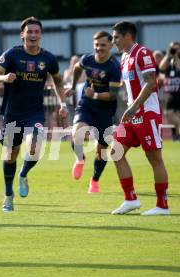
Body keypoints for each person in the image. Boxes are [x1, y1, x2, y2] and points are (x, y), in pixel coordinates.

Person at [0, 16, 68, 212]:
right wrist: (4, 77)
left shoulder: (48, 58)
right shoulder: (12, 55)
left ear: (40, 34)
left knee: (35, 146)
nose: (33, 35)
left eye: (36, 31)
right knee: (10, 155)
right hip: (12, 112)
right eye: (29, 31)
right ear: (22, 34)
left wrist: (62, 102)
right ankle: (8, 194)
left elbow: (57, 81)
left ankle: (23, 174)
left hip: (35, 112)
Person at [111, 21, 169, 215]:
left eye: (116, 37)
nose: (114, 41)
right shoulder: (124, 57)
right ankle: (130, 199)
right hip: (132, 113)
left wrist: (134, 106)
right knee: (115, 152)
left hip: (146, 112)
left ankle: (162, 205)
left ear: (128, 36)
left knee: (154, 157)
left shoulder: (142, 53)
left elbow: (151, 82)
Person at [64, 31, 121, 193]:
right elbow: (76, 68)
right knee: (77, 134)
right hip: (87, 105)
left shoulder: (114, 67)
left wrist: (95, 94)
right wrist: (73, 87)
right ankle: (80, 159)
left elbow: (113, 95)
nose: (99, 48)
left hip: (105, 110)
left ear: (110, 45)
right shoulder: (87, 59)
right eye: (96, 44)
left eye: (103, 45)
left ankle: (94, 180)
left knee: (101, 150)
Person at [159, 41, 180, 141]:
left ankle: (176, 138)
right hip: (170, 96)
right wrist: (168, 55)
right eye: (173, 48)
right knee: (170, 116)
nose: (175, 50)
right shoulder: (168, 63)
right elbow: (161, 67)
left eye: (176, 48)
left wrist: (177, 57)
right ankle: (177, 136)